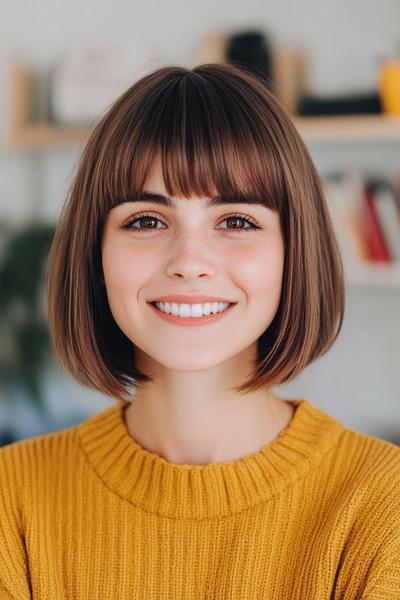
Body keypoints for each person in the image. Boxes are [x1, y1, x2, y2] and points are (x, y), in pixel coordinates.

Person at [0, 63, 399, 599]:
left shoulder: (382, 507)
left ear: (293, 251)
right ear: (95, 255)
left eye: (237, 221)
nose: (190, 262)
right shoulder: (12, 499)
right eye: (145, 220)